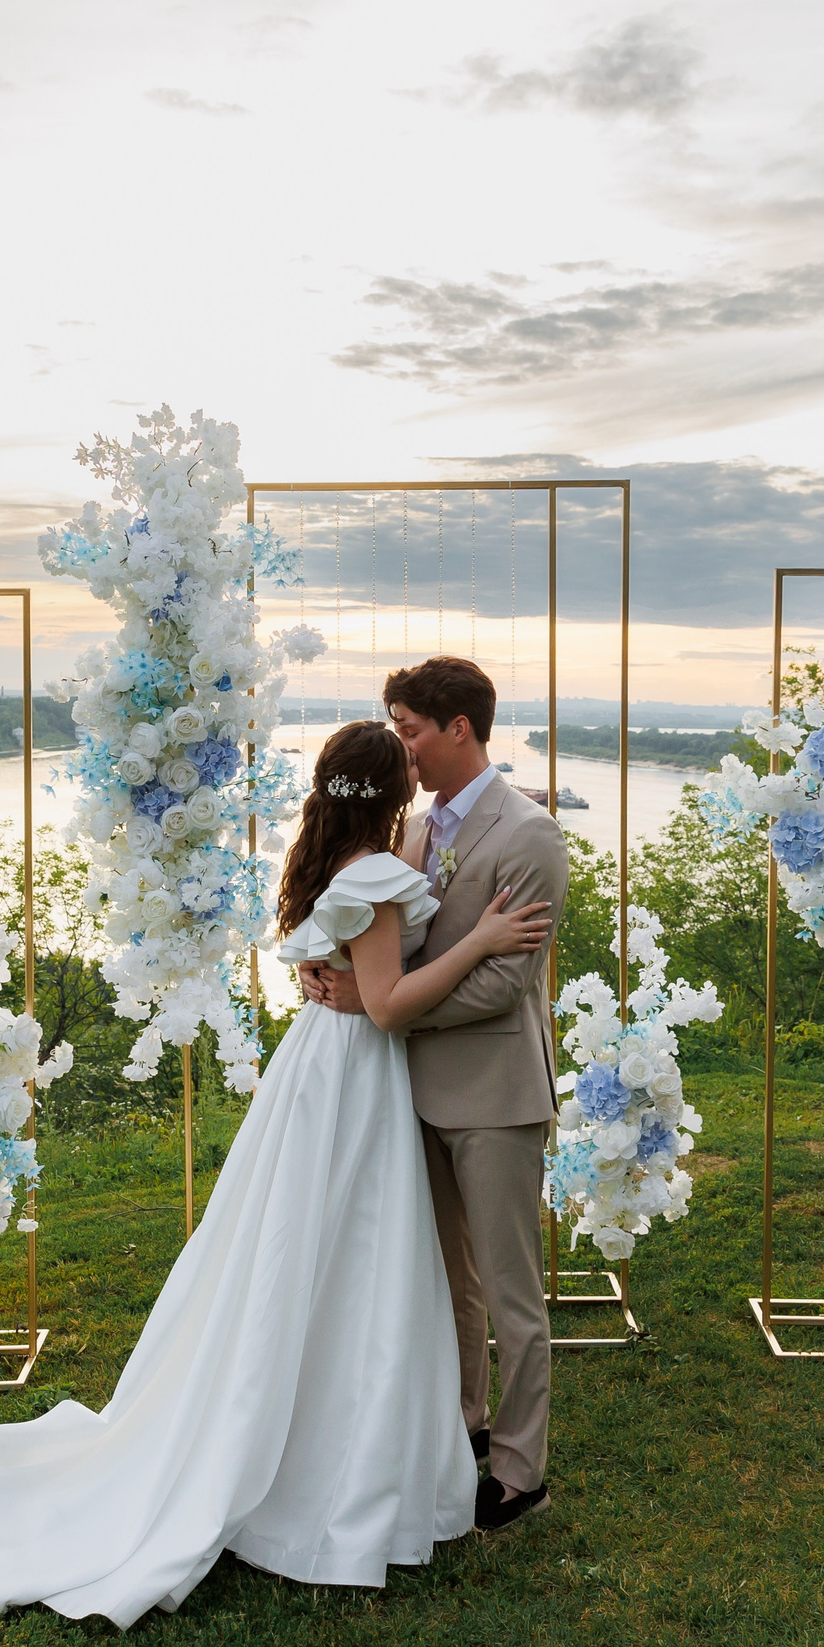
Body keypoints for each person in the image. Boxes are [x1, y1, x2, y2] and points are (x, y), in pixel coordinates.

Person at [0, 719, 553, 1628]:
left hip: (321, 1069)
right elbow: (392, 1004)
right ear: (391, 788)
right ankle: (342, 1452)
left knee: (309, 1248)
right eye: (402, 756)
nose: (414, 764)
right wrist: (479, 939)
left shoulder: (340, 858)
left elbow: (352, 973)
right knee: (359, 1252)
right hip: (358, 1074)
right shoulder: (379, 872)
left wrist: (354, 980)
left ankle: (371, 1420)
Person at [298, 656, 569, 1532]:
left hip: (492, 1091)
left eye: (410, 728)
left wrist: (384, 1014)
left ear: (459, 728)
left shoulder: (529, 833)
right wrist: (336, 973)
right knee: (450, 1283)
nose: (401, 745)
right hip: (409, 1093)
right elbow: (389, 948)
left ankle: (522, 1468)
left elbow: (505, 984)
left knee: (510, 1285)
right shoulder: (409, 834)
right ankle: (463, 1424)